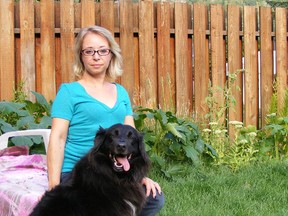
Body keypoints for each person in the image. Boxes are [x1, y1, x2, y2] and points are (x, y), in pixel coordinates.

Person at [47, 25, 164, 216]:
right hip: (79, 172)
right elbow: (58, 138)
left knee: (154, 199)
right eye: (89, 51)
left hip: (114, 171)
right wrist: (54, 185)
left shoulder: (121, 92)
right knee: (104, 203)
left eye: (102, 50)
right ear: (81, 55)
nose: (96, 56)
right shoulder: (69, 92)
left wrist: (140, 177)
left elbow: (131, 140)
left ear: (111, 55)